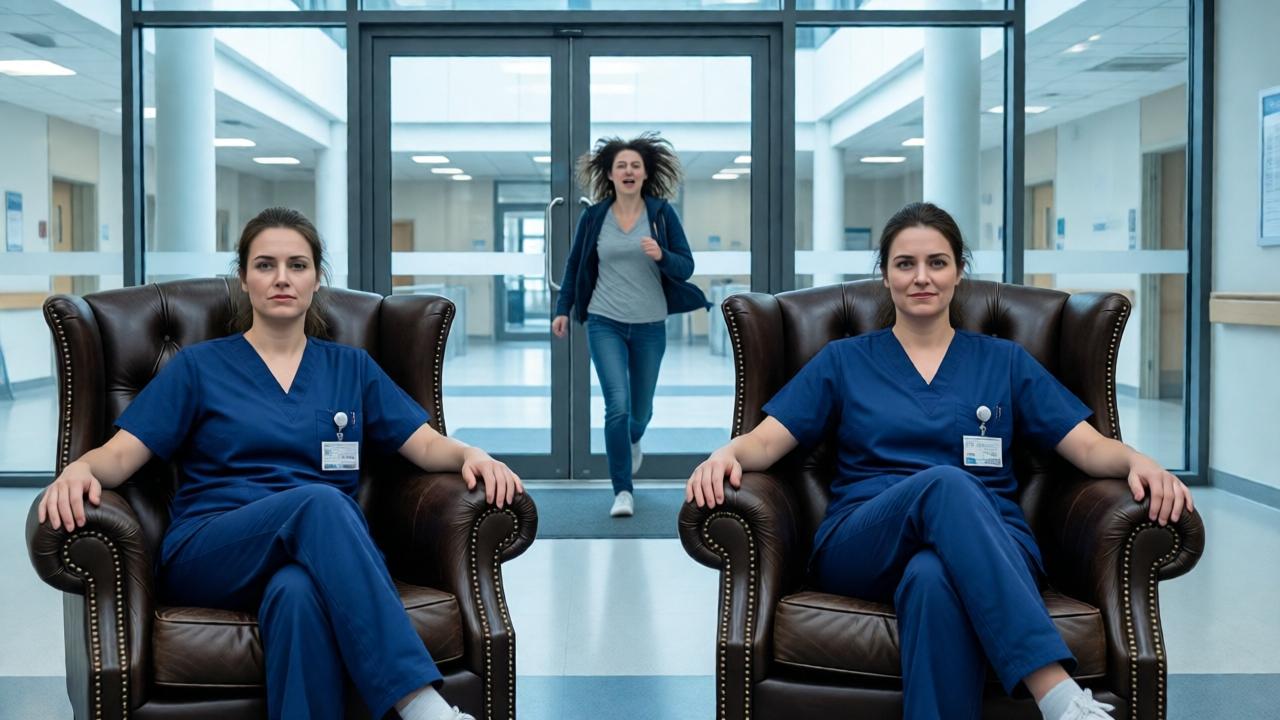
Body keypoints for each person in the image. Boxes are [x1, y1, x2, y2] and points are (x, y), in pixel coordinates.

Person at [684, 202, 1195, 720]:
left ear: (958, 273)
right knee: (945, 484)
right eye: (905, 264)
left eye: (937, 262)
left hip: (994, 543)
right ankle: (1057, 693)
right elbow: (768, 442)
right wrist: (724, 453)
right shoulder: (845, 360)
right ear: (885, 276)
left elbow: (1085, 446)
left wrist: (1138, 461)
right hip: (864, 542)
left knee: (932, 578)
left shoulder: (1003, 360)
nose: (921, 277)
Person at [36, 207, 523, 720]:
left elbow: (423, 444)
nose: (282, 278)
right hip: (212, 548)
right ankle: (420, 703)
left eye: (298, 265)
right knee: (320, 502)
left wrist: (473, 453)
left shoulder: (350, 367)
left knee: (297, 595)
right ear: (244, 278)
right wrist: (78, 470)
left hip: (319, 551)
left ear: (316, 279)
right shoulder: (200, 367)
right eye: (265, 265)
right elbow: (118, 456)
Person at [553, 132, 710, 518]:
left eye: (635, 166)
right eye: (621, 165)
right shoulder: (593, 217)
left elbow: (686, 266)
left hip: (649, 325)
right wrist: (563, 308)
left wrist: (662, 255)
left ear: (644, 174)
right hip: (604, 321)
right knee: (617, 407)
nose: (628, 171)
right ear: (609, 174)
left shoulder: (660, 214)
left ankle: (634, 439)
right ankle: (622, 490)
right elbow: (576, 266)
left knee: (640, 412)